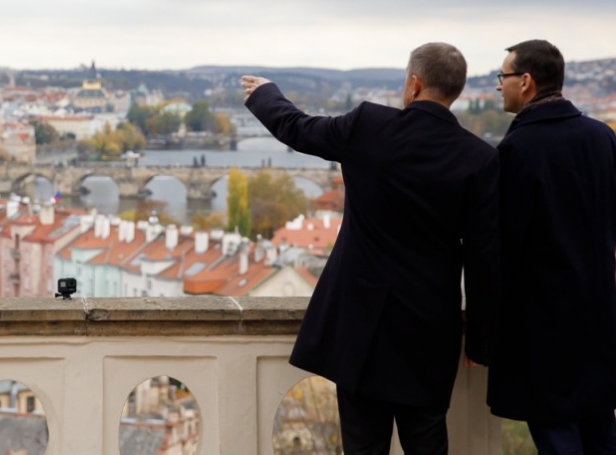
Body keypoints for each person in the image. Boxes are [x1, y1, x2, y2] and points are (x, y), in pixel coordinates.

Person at [241, 42, 500, 454]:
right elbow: (485, 259)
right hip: (430, 328)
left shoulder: (369, 126)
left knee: (364, 445)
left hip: (361, 324)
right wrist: (480, 341)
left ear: (414, 84)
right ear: (457, 91)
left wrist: (265, 93)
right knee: (428, 441)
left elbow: (298, 128)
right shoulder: (480, 158)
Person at [488, 39, 616, 454]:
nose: (497, 87)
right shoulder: (601, 137)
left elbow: (505, 245)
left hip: (542, 327)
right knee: (600, 431)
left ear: (525, 82)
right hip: (599, 316)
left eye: (502, 77)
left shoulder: (517, 149)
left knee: (556, 433)